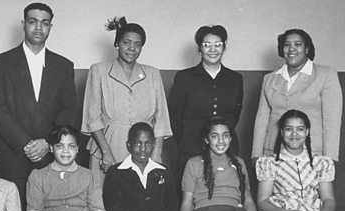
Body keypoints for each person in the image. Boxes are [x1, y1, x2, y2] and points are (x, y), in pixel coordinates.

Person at [0, 2, 78, 211]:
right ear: (23, 24)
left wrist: (48, 142)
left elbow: (68, 110)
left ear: (50, 27)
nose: (38, 27)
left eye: (44, 23)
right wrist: (26, 144)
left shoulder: (64, 66)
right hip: (13, 154)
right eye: (33, 21)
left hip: (50, 155)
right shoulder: (0, 63)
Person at [82, 16, 172, 181]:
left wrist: (157, 153)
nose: (132, 48)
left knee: (141, 200)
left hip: (144, 148)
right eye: (126, 42)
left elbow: (161, 119)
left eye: (138, 44)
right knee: (104, 199)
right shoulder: (99, 71)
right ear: (117, 44)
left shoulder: (152, 74)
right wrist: (105, 151)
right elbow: (92, 117)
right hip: (108, 146)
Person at [180, 117, 277, 211]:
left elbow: (248, 200)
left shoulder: (239, 163)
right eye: (214, 136)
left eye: (225, 135)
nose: (221, 141)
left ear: (231, 138)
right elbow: (186, 204)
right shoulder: (194, 163)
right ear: (206, 139)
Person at [103, 122, 202, 211]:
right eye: (138, 144)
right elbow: (111, 207)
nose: (143, 149)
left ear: (154, 144)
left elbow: (172, 206)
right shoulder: (115, 172)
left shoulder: (163, 171)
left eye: (148, 144)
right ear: (128, 145)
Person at [256, 110, 342, 211]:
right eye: (288, 129)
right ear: (281, 132)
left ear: (307, 131)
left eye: (300, 129)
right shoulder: (270, 163)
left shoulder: (320, 163)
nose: (294, 134)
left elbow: (329, 199)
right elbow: (262, 202)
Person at [252, 29, 342, 162]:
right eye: (287, 44)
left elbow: (332, 122)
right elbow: (262, 120)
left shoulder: (326, 75)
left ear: (307, 49)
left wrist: (329, 158)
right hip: (273, 153)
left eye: (298, 44)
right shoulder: (269, 79)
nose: (291, 49)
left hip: (312, 154)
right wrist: (256, 155)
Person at [169, 25, 243, 183]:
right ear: (199, 49)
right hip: (191, 147)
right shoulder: (184, 78)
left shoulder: (235, 79)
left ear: (224, 48)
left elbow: (235, 115)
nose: (213, 49)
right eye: (207, 45)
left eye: (218, 44)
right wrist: (185, 141)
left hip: (226, 148)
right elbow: (175, 117)